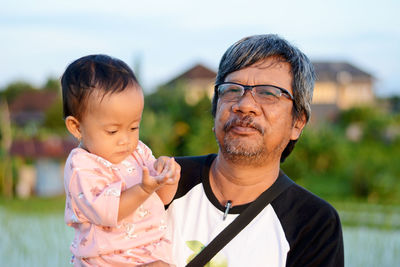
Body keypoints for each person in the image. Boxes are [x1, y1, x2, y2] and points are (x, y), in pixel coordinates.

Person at [164, 34, 344, 267]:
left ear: (297, 123)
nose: (245, 105)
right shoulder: (163, 180)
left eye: (268, 93)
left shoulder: (313, 223)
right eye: (231, 90)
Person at [61, 54, 180, 266]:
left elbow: (162, 198)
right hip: (106, 259)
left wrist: (167, 178)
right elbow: (109, 212)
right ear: (77, 127)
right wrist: (144, 189)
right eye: (113, 131)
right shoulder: (82, 166)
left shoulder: (139, 152)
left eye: (134, 127)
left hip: (151, 253)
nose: (125, 139)